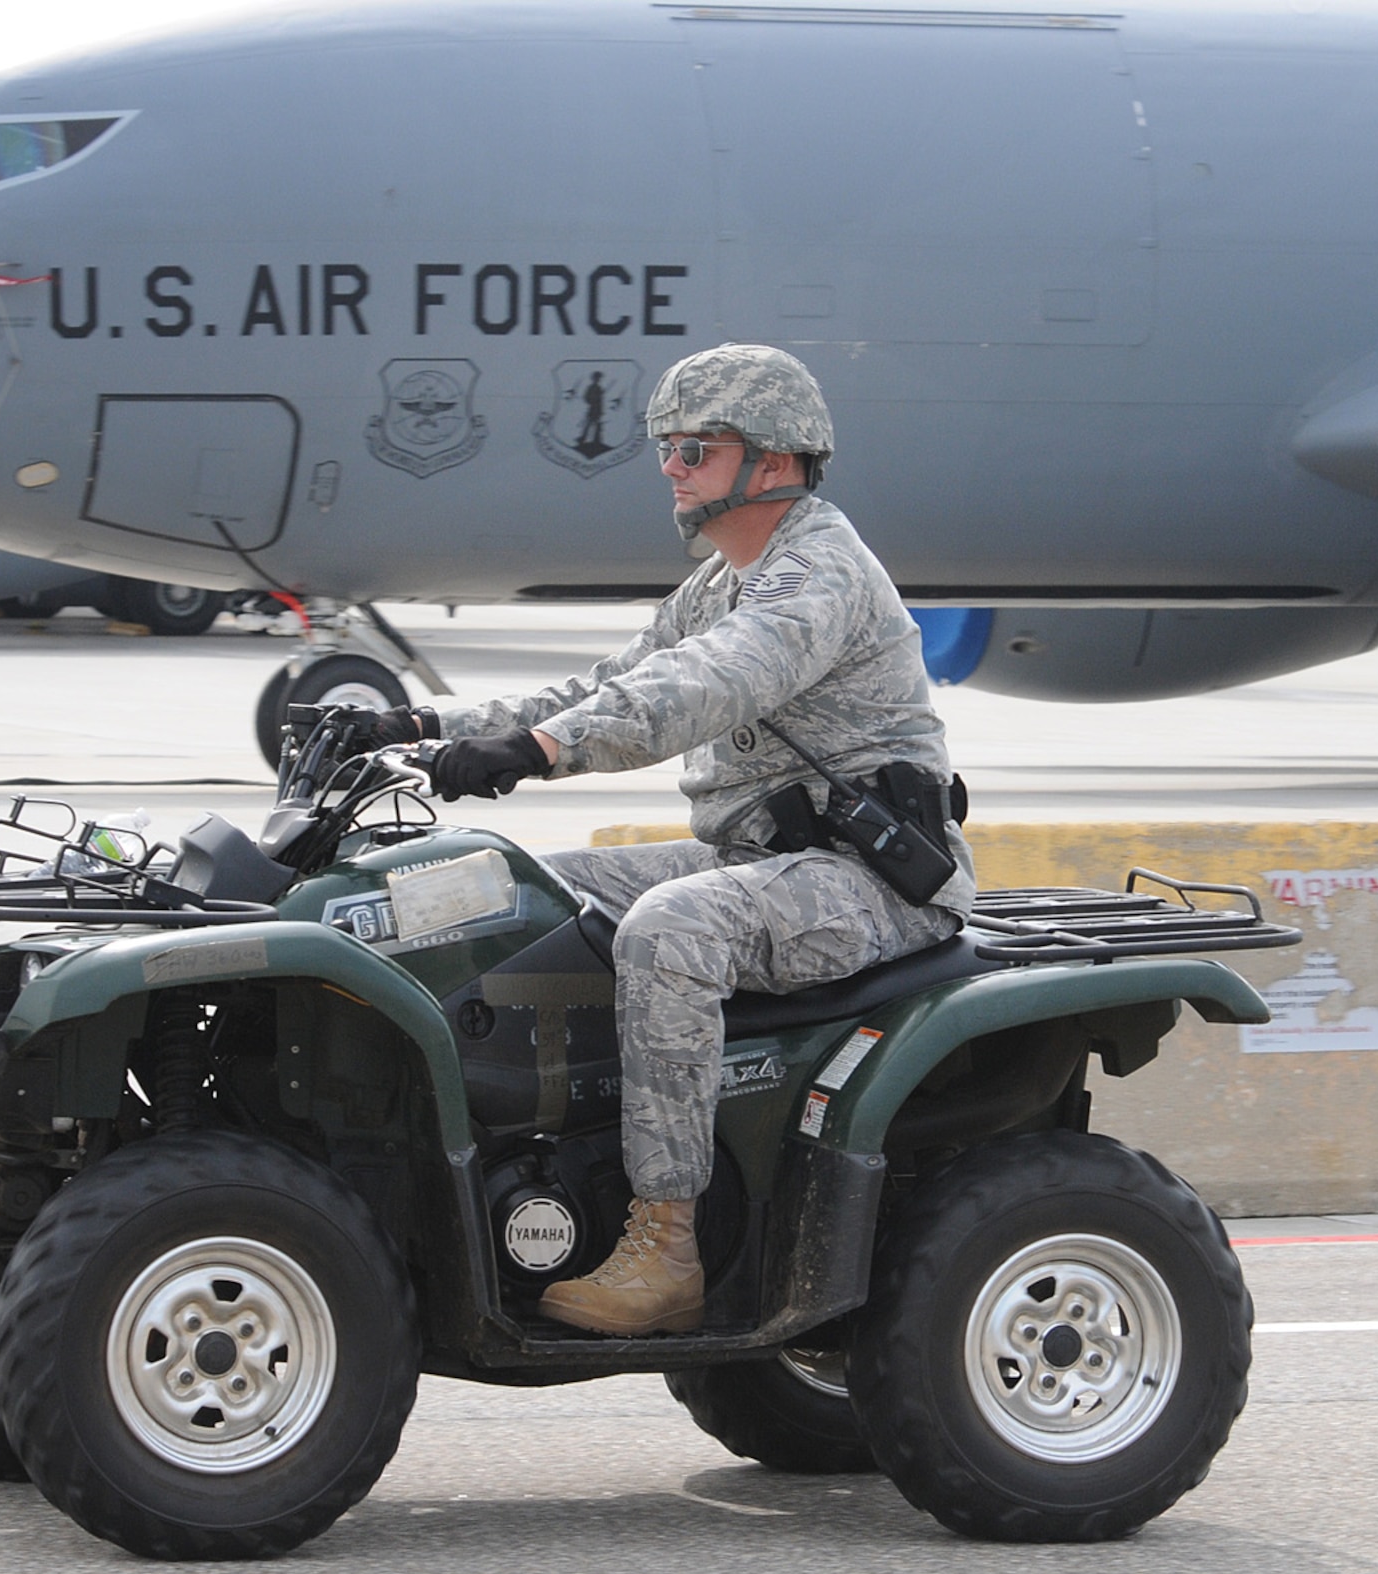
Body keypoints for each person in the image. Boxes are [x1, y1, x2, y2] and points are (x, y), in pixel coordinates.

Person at [360, 343, 976, 1337]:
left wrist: (541, 750)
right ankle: (531, 1164)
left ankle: (666, 1240)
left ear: (769, 460)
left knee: (670, 927)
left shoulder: (816, 569)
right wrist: (428, 729)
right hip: (759, 862)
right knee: (515, 890)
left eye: (694, 448)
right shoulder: (718, 584)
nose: (669, 468)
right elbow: (603, 682)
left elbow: (707, 684)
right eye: (667, 448)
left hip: (865, 882)